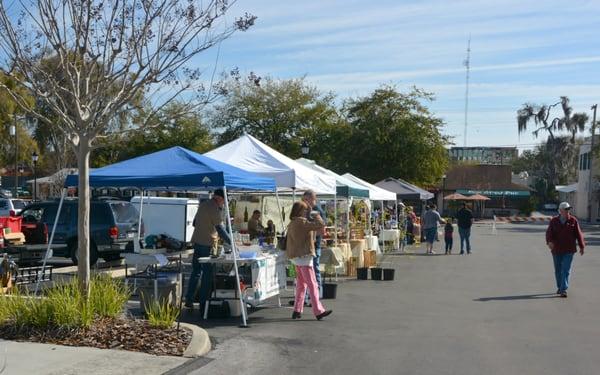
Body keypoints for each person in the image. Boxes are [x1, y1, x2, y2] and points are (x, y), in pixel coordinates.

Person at [185, 189, 231, 310]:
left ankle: (189, 299)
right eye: (224, 201)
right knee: (207, 274)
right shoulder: (214, 208)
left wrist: (204, 226)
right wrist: (232, 243)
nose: (224, 204)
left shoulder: (203, 205)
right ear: (220, 198)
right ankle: (203, 302)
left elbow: (195, 223)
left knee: (196, 272)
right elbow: (220, 229)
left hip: (197, 241)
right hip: (207, 243)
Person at [286, 200, 332, 320]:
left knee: (301, 286)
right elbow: (321, 224)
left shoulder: (292, 222)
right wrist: (316, 214)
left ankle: (297, 310)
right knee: (312, 285)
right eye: (305, 209)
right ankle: (318, 311)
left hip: (297, 258)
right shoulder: (302, 222)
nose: (307, 211)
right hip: (304, 257)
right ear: (301, 211)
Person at [545, 202, 585, 298]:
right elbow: (549, 233)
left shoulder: (573, 220)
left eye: (568, 210)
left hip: (569, 249)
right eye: (566, 209)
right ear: (561, 210)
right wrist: (549, 241)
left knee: (566, 270)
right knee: (558, 270)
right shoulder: (554, 221)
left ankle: (563, 289)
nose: (568, 211)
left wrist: (582, 246)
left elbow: (579, 234)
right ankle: (560, 287)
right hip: (557, 249)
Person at [302, 190, 326, 299]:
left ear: (312, 199)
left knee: (314, 271)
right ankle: (310, 296)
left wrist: (311, 233)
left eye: (305, 199)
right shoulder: (310, 210)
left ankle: (317, 295)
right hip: (310, 246)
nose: (304, 202)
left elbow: (322, 229)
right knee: (309, 272)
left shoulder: (316, 210)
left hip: (314, 246)